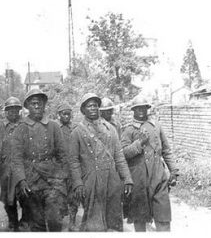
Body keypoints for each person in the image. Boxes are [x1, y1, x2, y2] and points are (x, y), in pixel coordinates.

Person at [69, 93, 133, 231]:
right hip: (91, 181)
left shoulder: (110, 129)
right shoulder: (77, 132)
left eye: (95, 105)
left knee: (113, 221)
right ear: (83, 110)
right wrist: (78, 183)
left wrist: (127, 178)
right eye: (89, 105)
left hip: (112, 179)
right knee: (94, 223)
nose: (93, 108)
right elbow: (73, 161)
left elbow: (119, 156)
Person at [120, 96, 179, 232]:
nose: (141, 110)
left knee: (163, 218)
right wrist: (138, 143)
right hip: (139, 180)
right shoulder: (128, 130)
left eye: (144, 107)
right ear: (133, 110)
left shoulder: (156, 126)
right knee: (140, 220)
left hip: (158, 177)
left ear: (148, 109)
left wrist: (174, 171)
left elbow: (166, 150)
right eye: (137, 108)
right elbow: (123, 154)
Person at [11, 88, 67, 231]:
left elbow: (63, 155)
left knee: (55, 220)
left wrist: (61, 179)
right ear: (27, 106)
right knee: (37, 224)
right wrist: (21, 180)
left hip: (52, 180)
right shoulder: (20, 128)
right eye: (33, 103)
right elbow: (16, 158)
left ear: (44, 105)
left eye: (40, 103)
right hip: (31, 181)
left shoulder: (54, 126)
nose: (37, 106)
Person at [0, 97, 27, 231]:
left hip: (22, 167)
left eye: (15, 110)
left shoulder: (24, 124)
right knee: (8, 199)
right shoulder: (1, 126)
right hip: (6, 168)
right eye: (10, 110)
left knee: (25, 197)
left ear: (19, 111)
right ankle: (13, 223)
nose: (13, 113)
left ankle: (24, 221)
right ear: (6, 112)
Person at [56, 103, 79, 231]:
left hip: (73, 168)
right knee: (58, 196)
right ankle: (58, 221)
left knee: (74, 196)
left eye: (68, 114)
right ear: (59, 115)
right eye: (63, 114)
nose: (66, 116)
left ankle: (72, 222)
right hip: (58, 168)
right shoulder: (54, 127)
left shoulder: (75, 128)